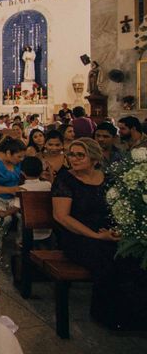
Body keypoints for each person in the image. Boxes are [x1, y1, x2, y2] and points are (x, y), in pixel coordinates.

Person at [52, 139, 147, 330]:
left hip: (107, 233)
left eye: (81, 155)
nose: (74, 159)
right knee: (106, 257)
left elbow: (120, 209)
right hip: (77, 236)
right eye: (72, 154)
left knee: (134, 255)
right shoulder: (65, 180)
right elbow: (62, 217)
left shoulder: (108, 178)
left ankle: (135, 315)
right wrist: (95, 235)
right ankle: (107, 315)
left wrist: (117, 230)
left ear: (94, 158)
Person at [19, 156, 52, 243]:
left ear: (22, 172)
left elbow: (16, 206)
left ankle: (19, 244)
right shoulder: (48, 185)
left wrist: (4, 213)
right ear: (41, 171)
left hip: (28, 231)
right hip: (48, 229)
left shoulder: (22, 188)